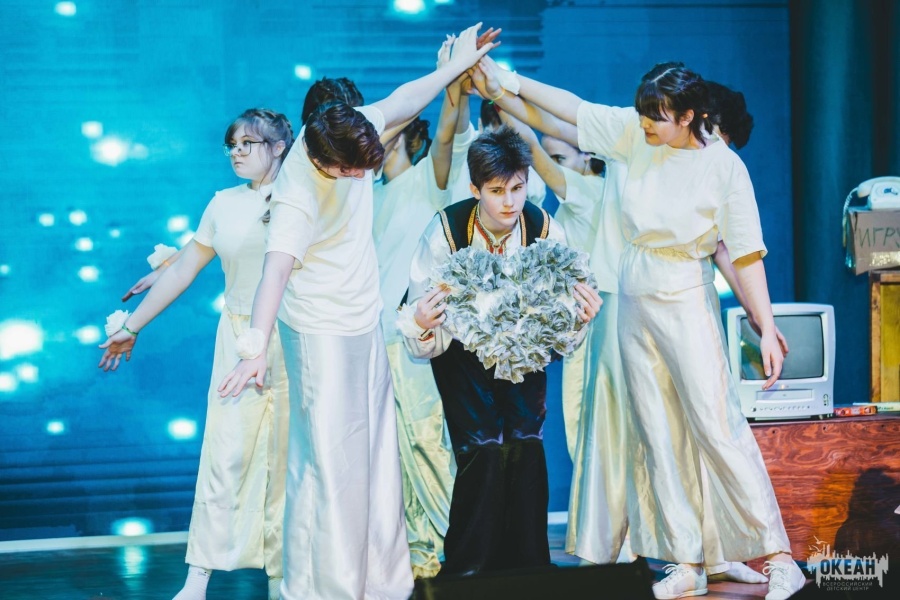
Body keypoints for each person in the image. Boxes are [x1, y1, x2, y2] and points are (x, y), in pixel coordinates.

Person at [477, 59, 806, 600]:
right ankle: (685, 560)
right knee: (656, 433)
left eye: (658, 116)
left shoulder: (723, 167)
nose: (648, 123)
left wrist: (765, 326)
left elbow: (746, 252)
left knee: (717, 427)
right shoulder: (635, 133)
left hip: (685, 292)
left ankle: (778, 556)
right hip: (634, 292)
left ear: (689, 116)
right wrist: (509, 83)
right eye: (645, 114)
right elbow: (571, 109)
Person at [215, 24, 498, 600]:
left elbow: (408, 98)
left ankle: (383, 582)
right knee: (330, 463)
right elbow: (274, 273)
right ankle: (330, 586)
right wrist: (253, 348)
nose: (360, 176)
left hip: (365, 319)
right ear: (324, 161)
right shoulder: (296, 194)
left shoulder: (351, 128)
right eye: (350, 171)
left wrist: (456, 64)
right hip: (318, 331)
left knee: (374, 457)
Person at [99, 108, 293, 600]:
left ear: (278, 147)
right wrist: (131, 326)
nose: (236, 153)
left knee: (287, 459)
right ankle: (198, 578)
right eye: (232, 145)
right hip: (238, 337)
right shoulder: (223, 203)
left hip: (295, 338)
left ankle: (284, 577)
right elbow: (185, 268)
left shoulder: (301, 196)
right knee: (225, 455)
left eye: (248, 144)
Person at [398, 125, 602, 576]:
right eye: (496, 191)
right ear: (475, 189)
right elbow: (416, 316)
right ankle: (470, 572)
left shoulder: (544, 228)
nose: (510, 202)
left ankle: (528, 570)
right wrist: (422, 322)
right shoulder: (446, 231)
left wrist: (579, 317)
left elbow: (563, 320)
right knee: (483, 449)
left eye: (517, 188)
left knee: (526, 444)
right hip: (461, 354)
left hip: (524, 352)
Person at [371, 36, 467, 578]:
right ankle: (419, 553)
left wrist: (452, 75)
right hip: (374, 337)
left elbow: (450, 129)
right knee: (395, 451)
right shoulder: (367, 195)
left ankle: (461, 546)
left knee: (429, 439)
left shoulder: (428, 180)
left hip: (417, 336)